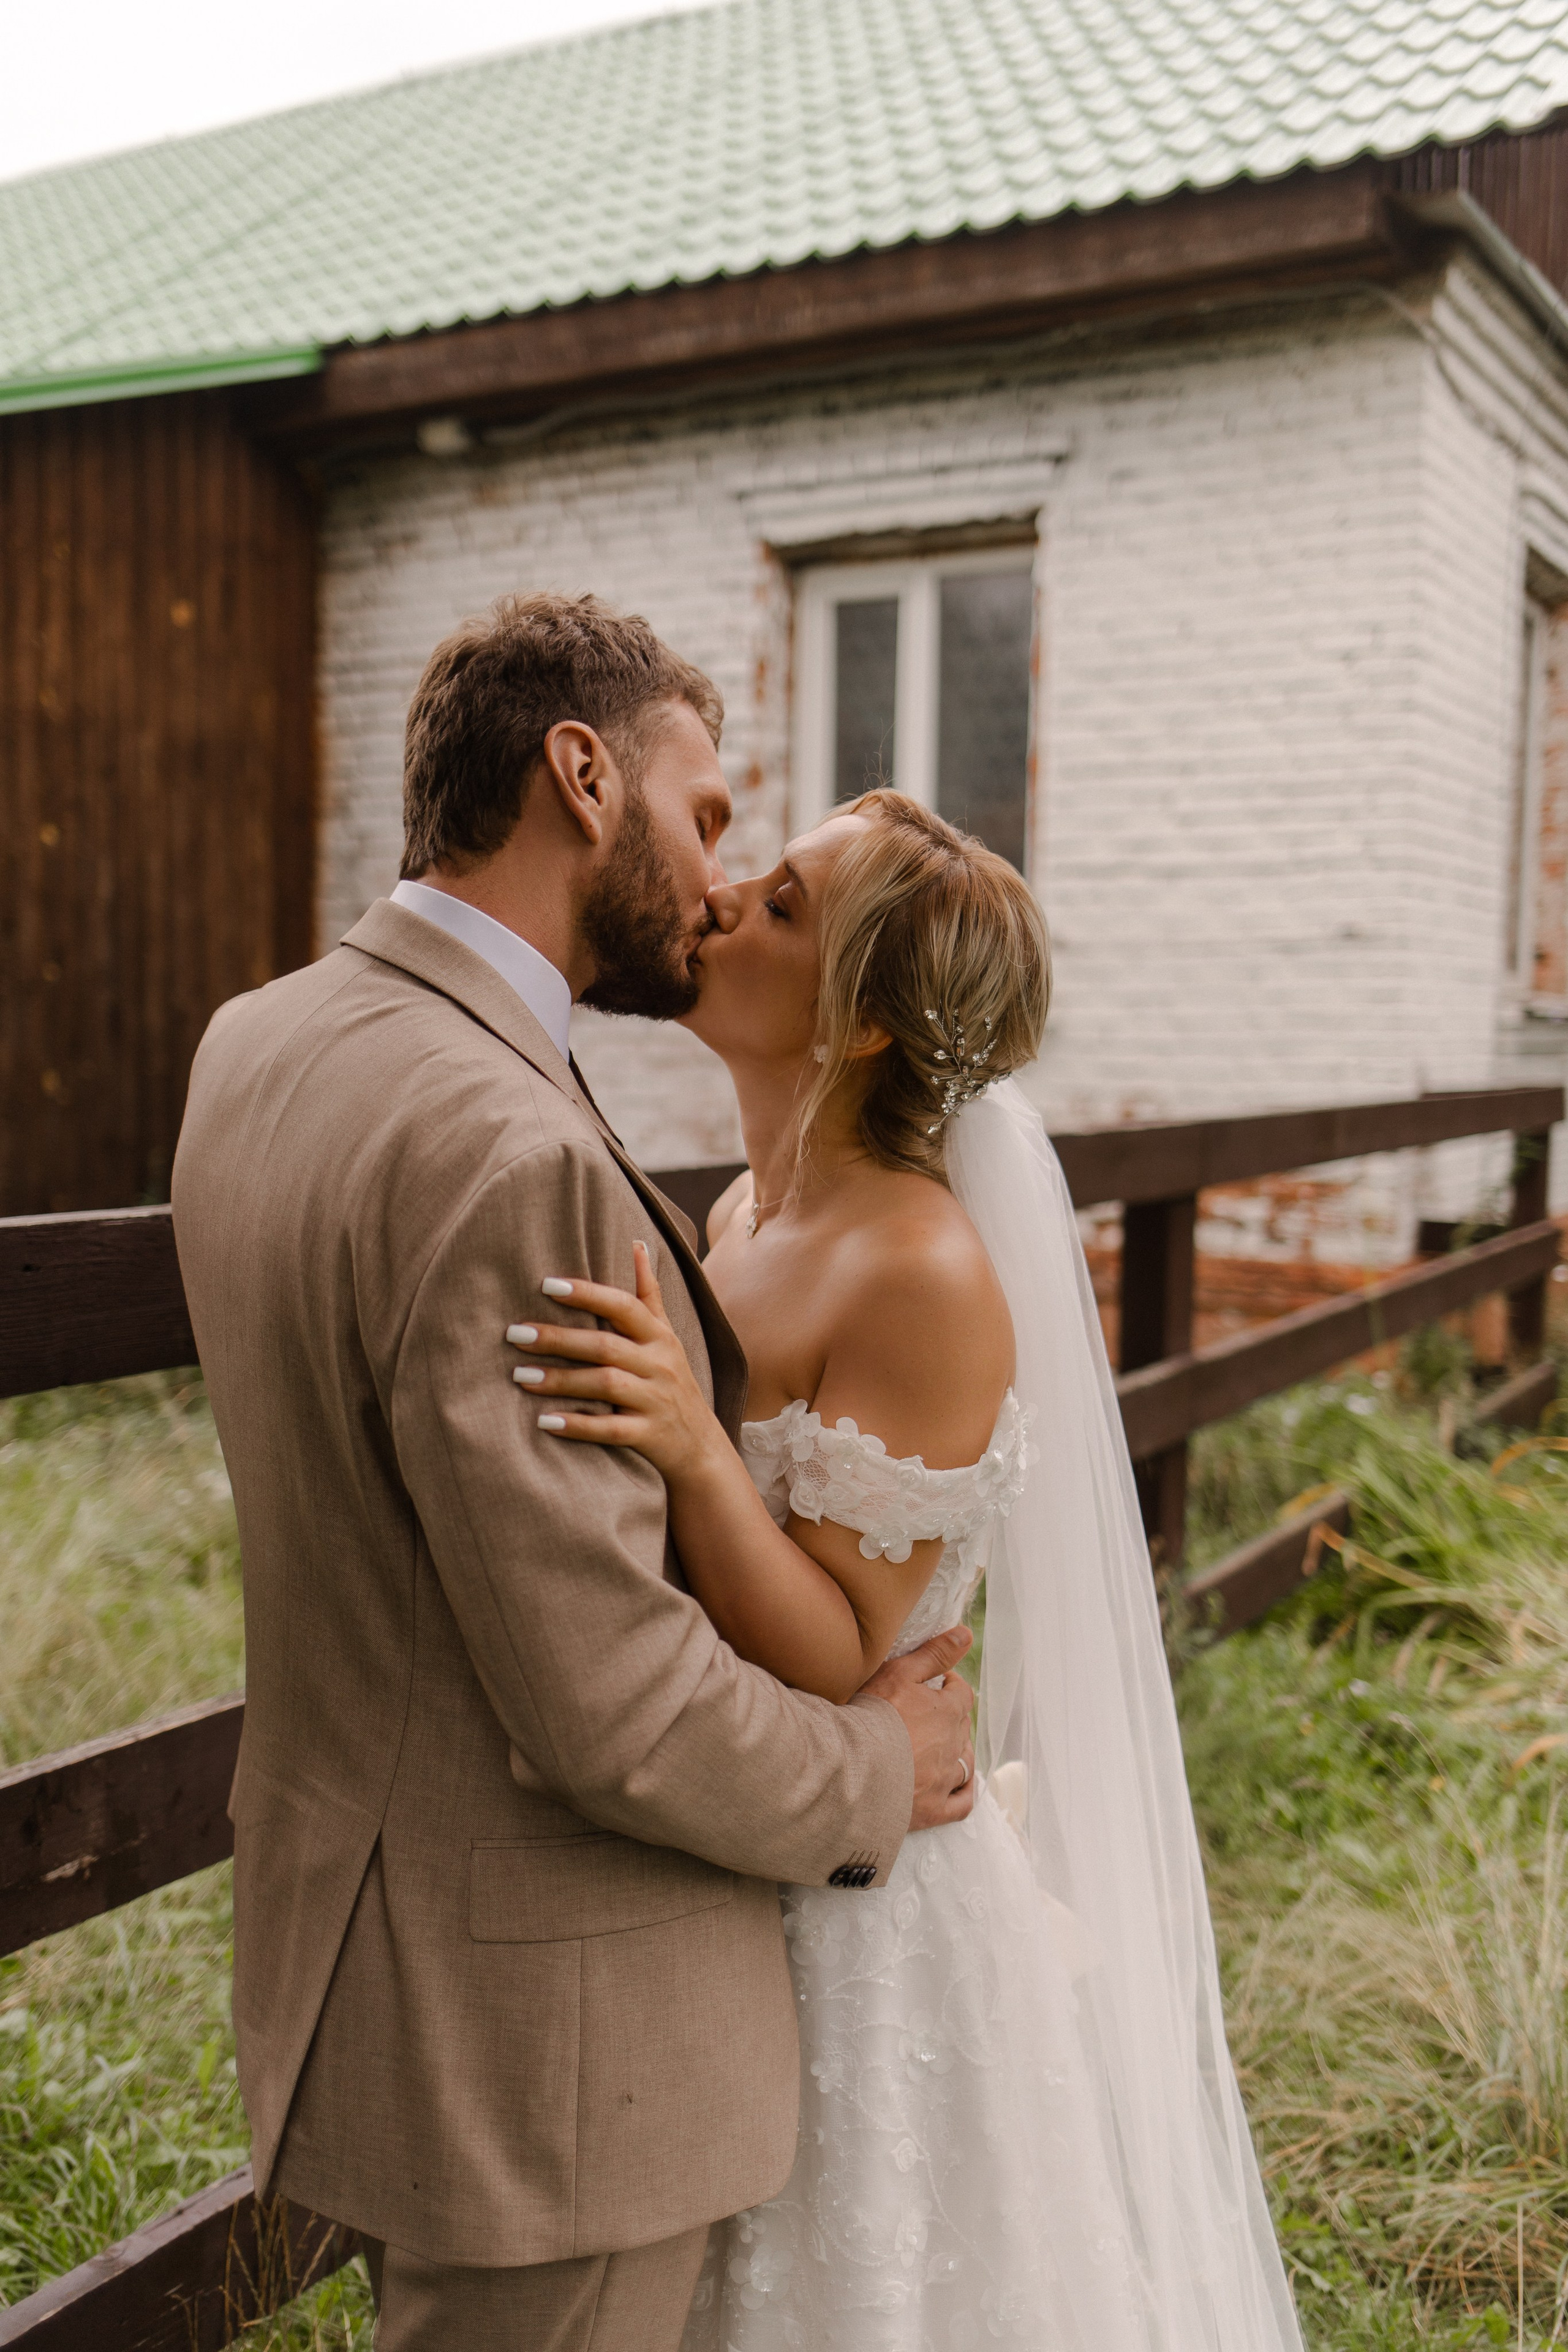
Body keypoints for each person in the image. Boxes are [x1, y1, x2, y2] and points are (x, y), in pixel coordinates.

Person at [170, 595, 978, 2352]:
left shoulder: (256, 1045)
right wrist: (869, 1770)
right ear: (582, 773)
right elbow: (607, 1703)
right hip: (554, 2053)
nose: (713, 881)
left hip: (369, 1958)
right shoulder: (517, 1149)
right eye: (704, 816)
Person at [509, 790, 1306, 2350]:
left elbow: (834, 1654)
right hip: (735, 1848)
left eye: (785, 906)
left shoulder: (921, 1267)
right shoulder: (742, 1210)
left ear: (864, 1027)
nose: (724, 898)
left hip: (869, 1920)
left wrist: (684, 1447)